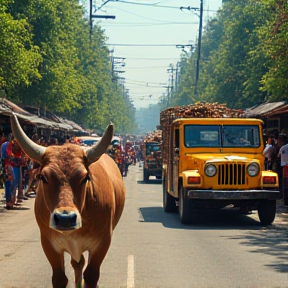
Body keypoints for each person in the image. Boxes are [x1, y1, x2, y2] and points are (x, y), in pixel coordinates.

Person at [6, 137, 28, 205]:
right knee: (11, 182)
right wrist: (19, 159)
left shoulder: (21, 146)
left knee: (16, 182)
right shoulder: (10, 145)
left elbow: (24, 156)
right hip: (9, 166)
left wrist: (23, 159)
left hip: (17, 167)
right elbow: (9, 156)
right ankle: (9, 200)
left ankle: (13, 199)